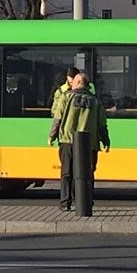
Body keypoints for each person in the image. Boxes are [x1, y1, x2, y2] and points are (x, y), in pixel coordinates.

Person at [47, 73, 110, 211]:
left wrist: (51, 136)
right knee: (87, 174)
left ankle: (65, 202)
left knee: (66, 173)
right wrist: (106, 140)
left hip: (67, 141)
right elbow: (102, 124)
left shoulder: (65, 97)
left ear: (77, 83)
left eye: (73, 82)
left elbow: (57, 119)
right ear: (87, 85)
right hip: (90, 143)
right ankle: (85, 201)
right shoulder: (95, 101)